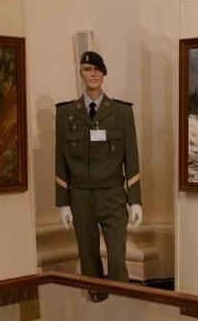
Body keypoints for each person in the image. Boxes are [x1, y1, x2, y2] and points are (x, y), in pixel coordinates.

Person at [55, 51, 142, 294]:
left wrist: (135, 199)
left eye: (96, 69)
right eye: (86, 69)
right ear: (81, 74)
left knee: (117, 261)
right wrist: (63, 203)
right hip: (81, 196)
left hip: (113, 195)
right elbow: (60, 158)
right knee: (89, 263)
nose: (92, 74)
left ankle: (122, 313)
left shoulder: (122, 113)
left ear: (104, 73)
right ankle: (95, 316)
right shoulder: (66, 114)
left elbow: (131, 157)